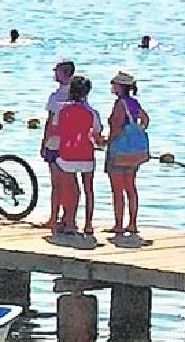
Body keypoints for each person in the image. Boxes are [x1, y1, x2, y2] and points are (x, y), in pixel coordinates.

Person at [51, 75, 105, 238]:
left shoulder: (61, 110)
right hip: (86, 154)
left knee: (70, 190)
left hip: (67, 154)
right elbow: (97, 136)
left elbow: (56, 132)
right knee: (89, 190)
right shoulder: (92, 112)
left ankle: (70, 222)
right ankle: (88, 224)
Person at [104, 71, 150, 237]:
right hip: (133, 153)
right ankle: (132, 223)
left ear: (120, 87)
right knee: (130, 187)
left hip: (118, 151)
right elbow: (145, 119)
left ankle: (118, 225)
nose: (112, 86)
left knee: (117, 190)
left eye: (114, 84)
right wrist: (136, 132)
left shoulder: (119, 104)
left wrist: (105, 142)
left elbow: (115, 129)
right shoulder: (133, 103)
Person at [41, 59, 77, 231]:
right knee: (70, 183)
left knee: (56, 183)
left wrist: (43, 141)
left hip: (55, 143)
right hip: (72, 143)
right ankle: (68, 217)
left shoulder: (56, 96)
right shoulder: (78, 94)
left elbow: (50, 121)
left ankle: (54, 217)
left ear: (64, 73)